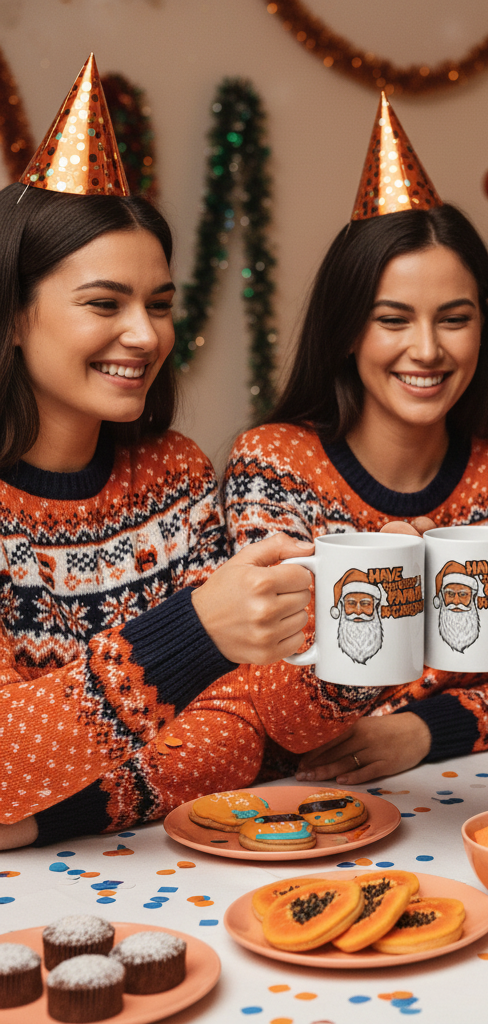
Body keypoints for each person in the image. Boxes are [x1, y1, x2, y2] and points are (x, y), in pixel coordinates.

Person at [0, 58, 313, 849]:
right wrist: (193, 635)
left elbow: (246, 730)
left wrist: (48, 814)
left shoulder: (171, 475)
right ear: (11, 317)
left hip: (161, 865)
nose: (146, 336)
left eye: (160, 305)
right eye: (105, 303)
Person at [222, 95, 488, 784]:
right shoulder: (274, 463)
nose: (426, 350)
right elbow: (272, 694)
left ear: (484, 327)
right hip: (312, 797)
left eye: (453, 319)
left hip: (487, 785)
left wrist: (429, 729)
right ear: (347, 331)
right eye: (393, 320)